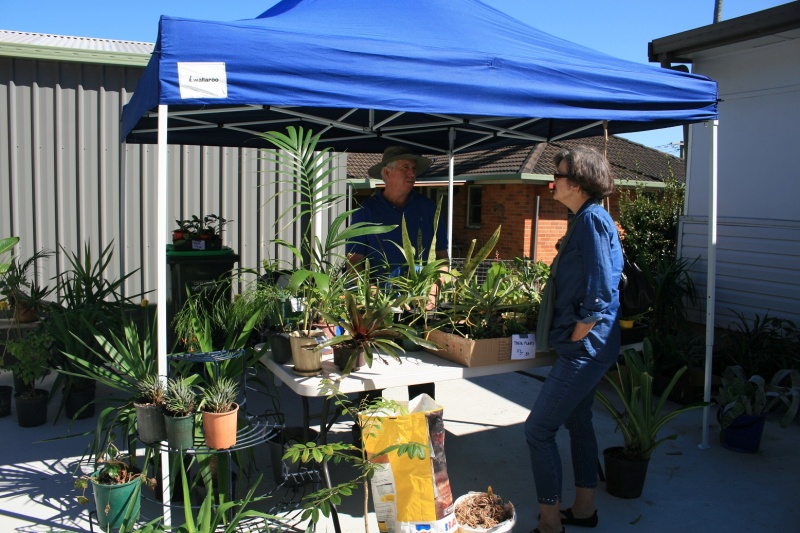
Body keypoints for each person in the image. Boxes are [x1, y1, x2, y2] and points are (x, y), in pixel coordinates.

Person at [525, 146, 623, 533]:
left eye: (559, 175)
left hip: (585, 347)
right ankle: (584, 509)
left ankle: (550, 522)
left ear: (579, 182)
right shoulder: (584, 218)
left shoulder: (591, 220)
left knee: (538, 430)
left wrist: (578, 333)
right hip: (589, 345)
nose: (553, 182)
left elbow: (600, 291)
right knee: (579, 421)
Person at [346, 145, 449, 401]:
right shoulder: (365, 212)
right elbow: (354, 263)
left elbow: (442, 258)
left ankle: (424, 424)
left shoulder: (428, 209)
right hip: (378, 311)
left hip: (419, 309)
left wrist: (434, 290)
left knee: (421, 375)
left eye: (413, 168)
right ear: (386, 173)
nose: (412, 173)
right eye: (405, 168)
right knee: (373, 377)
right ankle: (368, 424)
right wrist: (373, 296)